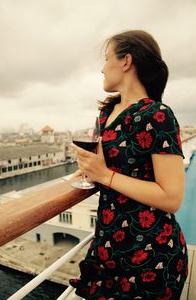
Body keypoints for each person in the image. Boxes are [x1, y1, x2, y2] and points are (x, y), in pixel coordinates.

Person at [69, 30, 188, 300]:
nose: (102, 68)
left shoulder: (157, 114)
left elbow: (172, 197)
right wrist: (86, 170)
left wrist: (104, 175)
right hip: (108, 251)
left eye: (107, 58)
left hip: (150, 256)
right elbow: (102, 165)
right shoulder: (106, 113)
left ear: (126, 61)